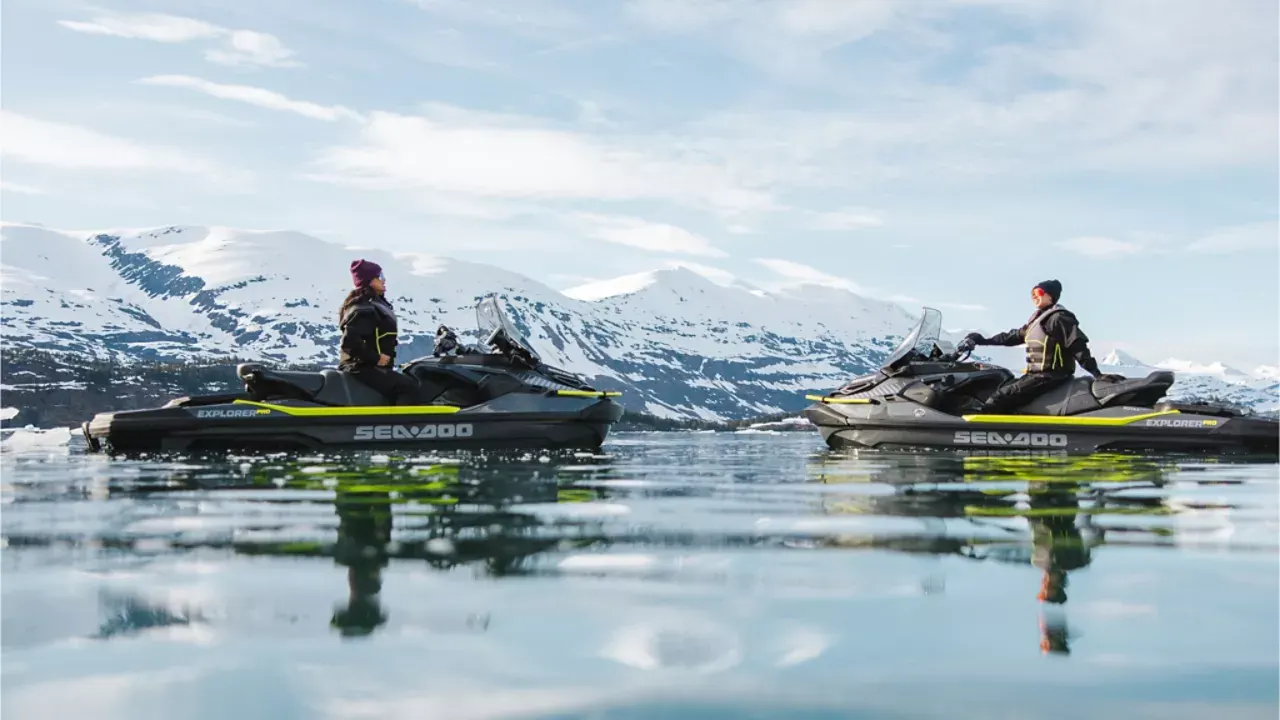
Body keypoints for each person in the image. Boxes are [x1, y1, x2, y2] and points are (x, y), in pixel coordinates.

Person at [957, 280, 1123, 413]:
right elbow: (1012, 336)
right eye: (1032, 294)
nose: (1034, 297)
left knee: (1000, 398)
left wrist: (1097, 374)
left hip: (1050, 376)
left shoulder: (1059, 318)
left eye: (1038, 293)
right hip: (1036, 376)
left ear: (1050, 296)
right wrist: (982, 340)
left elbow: (1077, 345)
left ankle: (986, 433)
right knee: (1000, 388)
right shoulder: (1037, 320)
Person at [338, 259, 419, 405]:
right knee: (407, 387)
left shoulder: (373, 304)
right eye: (380, 276)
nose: (384, 280)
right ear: (369, 280)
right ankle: (401, 420)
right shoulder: (363, 308)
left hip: (369, 366)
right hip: (361, 368)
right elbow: (349, 343)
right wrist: (376, 358)